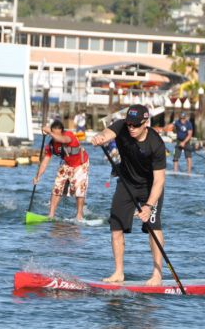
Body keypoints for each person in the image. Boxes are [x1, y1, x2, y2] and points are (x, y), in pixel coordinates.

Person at [91, 104, 166, 286]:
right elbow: (108, 133)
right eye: (129, 124)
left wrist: (148, 206)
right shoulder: (122, 126)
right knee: (115, 226)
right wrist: (101, 137)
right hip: (126, 183)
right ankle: (118, 272)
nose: (131, 128)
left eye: (135, 125)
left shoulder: (156, 144)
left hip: (150, 187)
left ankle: (157, 274)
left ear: (145, 123)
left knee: (152, 227)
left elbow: (159, 180)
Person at [33, 120, 90, 220]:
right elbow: (45, 162)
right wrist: (38, 176)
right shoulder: (51, 145)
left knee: (79, 188)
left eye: (57, 134)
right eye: (53, 134)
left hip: (81, 164)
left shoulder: (68, 135)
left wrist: (50, 132)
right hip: (67, 164)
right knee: (57, 187)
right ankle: (51, 215)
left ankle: (79, 215)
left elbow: (63, 140)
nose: (55, 138)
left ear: (62, 132)